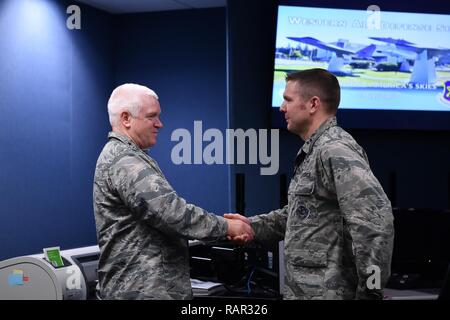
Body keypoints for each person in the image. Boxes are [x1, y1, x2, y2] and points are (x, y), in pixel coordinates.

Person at [226, 68, 394, 300]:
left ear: (313, 104)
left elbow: (376, 223)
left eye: (287, 100)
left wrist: (371, 293)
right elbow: (298, 216)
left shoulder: (335, 150)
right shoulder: (315, 150)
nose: (282, 108)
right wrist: (251, 226)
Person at [93, 83, 253, 300]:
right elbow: (172, 213)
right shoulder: (124, 161)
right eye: (152, 116)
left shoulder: (129, 156)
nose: (160, 124)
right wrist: (227, 227)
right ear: (126, 118)